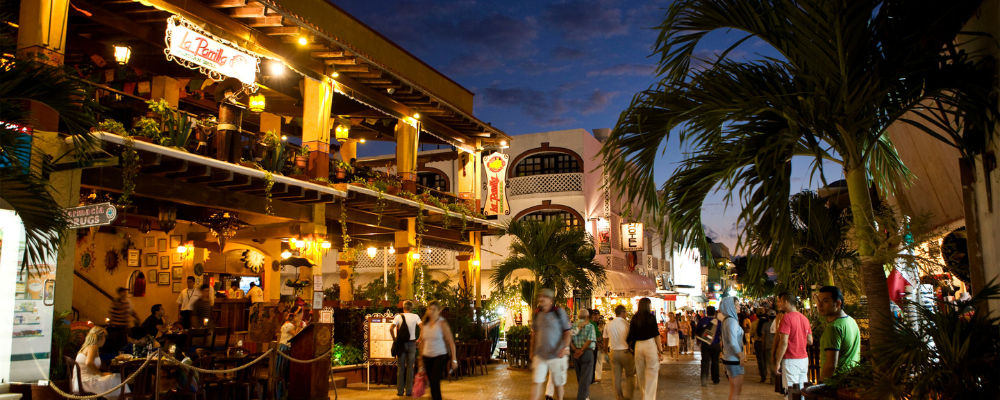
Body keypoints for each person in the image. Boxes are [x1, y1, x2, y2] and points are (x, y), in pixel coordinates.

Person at [529, 288, 572, 400]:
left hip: (557, 354)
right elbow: (534, 333)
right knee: (536, 382)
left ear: (550, 299)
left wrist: (564, 347)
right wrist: (531, 351)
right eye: (540, 296)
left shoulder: (559, 312)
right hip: (540, 355)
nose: (541, 298)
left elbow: (567, 332)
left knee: (558, 384)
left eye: (544, 296)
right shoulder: (537, 313)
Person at [817, 286, 860, 380]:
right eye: (819, 301)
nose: (819, 305)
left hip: (835, 384)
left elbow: (831, 365)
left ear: (837, 303)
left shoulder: (834, 328)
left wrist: (821, 386)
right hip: (851, 380)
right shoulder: (851, 321)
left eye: (825, 301)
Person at [417, 300, 458, 400]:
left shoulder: (442, 323)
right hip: (427, 356)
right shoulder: (424, 324)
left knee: (435, 381)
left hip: (440, 355)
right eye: (430, 309)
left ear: (439, 311)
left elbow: (451, 342)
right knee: (431, 382)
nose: (431, 311)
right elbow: (422, 342)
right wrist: (421, 361)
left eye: (434, 309)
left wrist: (454, 359)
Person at [74, 327, 129, 399]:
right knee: (118, 378)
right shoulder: (93, 347)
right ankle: (126, 397)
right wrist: (101, 374)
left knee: (114, 377)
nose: (105, 340)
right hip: (86, 383)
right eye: (105, 337)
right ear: (102, 337)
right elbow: (89, 363)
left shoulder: (86, 347)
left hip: (79, 382)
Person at [775, 293, 812, 396]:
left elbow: (783, 343)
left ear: (786, 302)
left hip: (791, 360)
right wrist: (800, 337)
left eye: (780, 301)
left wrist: (777, 362)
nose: (779, 304)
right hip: (803, 360)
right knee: (801, 391)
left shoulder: (786, 318)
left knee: (791, 392)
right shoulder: (804, 318)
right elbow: (810, 340)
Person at [627, 298, 661, 400]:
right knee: (652, 372)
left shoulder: (635, 318)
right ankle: (648, 398)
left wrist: (631, 347)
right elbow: (656, 334)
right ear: (648, 305)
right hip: (649, 344)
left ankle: (644, 395)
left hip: (638, 346)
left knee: (640, 373)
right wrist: (660, 351)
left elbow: (630, 335)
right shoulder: (651, 317)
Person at [604, 305, 635, 400]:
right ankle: (629, 396)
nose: (626, 314)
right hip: (625, 351)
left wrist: (606, 352)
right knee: (630, 375)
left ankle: (619, 397)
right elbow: (631, 338)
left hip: (613, 351)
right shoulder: (626, 324)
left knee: (616, 376)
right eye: (625, 312)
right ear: (622, 312)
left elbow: (605, 339)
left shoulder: (608, 324)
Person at [391, 300, 420, 397]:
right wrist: (419, 339)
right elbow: (423, 327)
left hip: (401, 344)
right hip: (412, 344)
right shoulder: (415, 316)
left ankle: (400, 391)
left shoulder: (398, 316)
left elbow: (391, 328)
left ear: (403, 307)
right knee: (410, 368)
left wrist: (395, 339)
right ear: (411, 308)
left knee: (400, 367)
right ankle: (409, 391)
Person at [276, 306, 304, 400]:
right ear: (297, 315)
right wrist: (298, 324)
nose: (302, 315)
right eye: (301, 313)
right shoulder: (289, 326)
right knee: (282, 373)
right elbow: (296, 335)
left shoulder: (289, 324)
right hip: (285, 350)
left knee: (284, 374)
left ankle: (284, 394)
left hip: (286, 350)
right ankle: (280, 395)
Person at [720, 297, 745, 400]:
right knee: (735, 391)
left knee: (736, 390)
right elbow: (732, 341)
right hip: (733, 359)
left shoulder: (728, 320)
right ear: (730, 307)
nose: (739, 306)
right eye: (737, 305)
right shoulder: (731, 321)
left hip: (731, 358)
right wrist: (740, 354)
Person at [105, 287, 140, 353]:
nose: (125, 294)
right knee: (116, 344)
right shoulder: (116, 302)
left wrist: (137, 318)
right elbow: (111, 314)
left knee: (123, 343)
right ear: (120, 293)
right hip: (116, 327)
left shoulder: (126, 302)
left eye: (125, 292)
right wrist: (110, 323)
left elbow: (131, 311)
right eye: (123, 292)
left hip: (124, 327)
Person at [571, 309, 596, 400]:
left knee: (580, 376)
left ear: (578, 316)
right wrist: (581, 350)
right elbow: (590, 340)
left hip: (576, 354)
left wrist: (575, 350)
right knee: (585, 378)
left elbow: (569, 340)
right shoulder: (590, 326)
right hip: (587, 352)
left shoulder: (573, 326)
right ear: (587, 317)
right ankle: (581, 397)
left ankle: (585, 395)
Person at [696, 306, 722, 386]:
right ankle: (715, 379)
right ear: (714, 312)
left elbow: (697, 331)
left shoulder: (702, 320)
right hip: (716, 344)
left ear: (706, 312)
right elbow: (721, 333)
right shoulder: (718, 322)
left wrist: (698, 341)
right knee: (715, 362)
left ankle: (704, 380)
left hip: (705, 345)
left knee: (705, 362)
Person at [590, 309, 605, 383]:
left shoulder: (602, 323)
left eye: (597, 315)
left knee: (599, 360)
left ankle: (598, 377)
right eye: (594, 315)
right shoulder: (591, 323)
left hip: (600, 345)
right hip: (592, 345)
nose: (595, 316)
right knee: (593, 361)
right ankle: (594, 376)